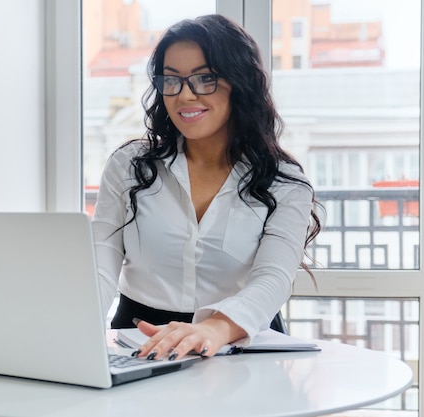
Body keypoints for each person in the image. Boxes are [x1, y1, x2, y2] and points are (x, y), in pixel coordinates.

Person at [92, 14, 321, 361]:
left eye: (204, 79)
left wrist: (214, 327)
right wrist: (70, 325)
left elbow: (272, 280)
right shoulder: (129, 166)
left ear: (239, 83)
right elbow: (100, 267)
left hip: (239, 340)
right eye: (171, 80)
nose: (185, 95)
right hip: (139, 339)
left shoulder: (285, 183)